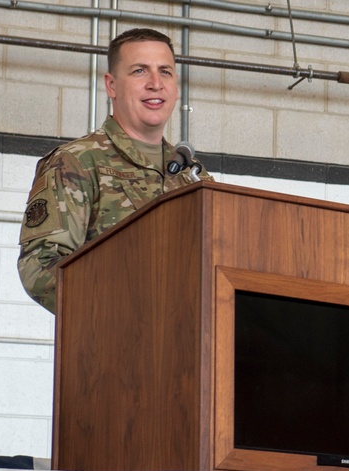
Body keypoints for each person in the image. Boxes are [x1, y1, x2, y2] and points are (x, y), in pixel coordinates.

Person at [17, 27, 210, 313]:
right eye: (140, 71)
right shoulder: (77, 162)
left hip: (191, 348)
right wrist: (122, 306)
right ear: (111, 86)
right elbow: (40, 267)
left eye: (165, 72)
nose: (156, 83)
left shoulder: (194, 177)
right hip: (111, 345)